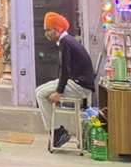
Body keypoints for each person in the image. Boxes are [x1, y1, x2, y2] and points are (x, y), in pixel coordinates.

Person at [36, 11, 95, 149]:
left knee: (40, 94)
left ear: (57, 29)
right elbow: (64, 69)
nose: (46, 34)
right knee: (39, 91)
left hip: (80, 86)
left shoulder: (65, 42)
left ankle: (57, 132)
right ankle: (57, 130)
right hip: (74, 82)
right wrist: (58, 89)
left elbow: (65, 69)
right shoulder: (67, 41)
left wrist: (59, 92)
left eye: (48, 30)